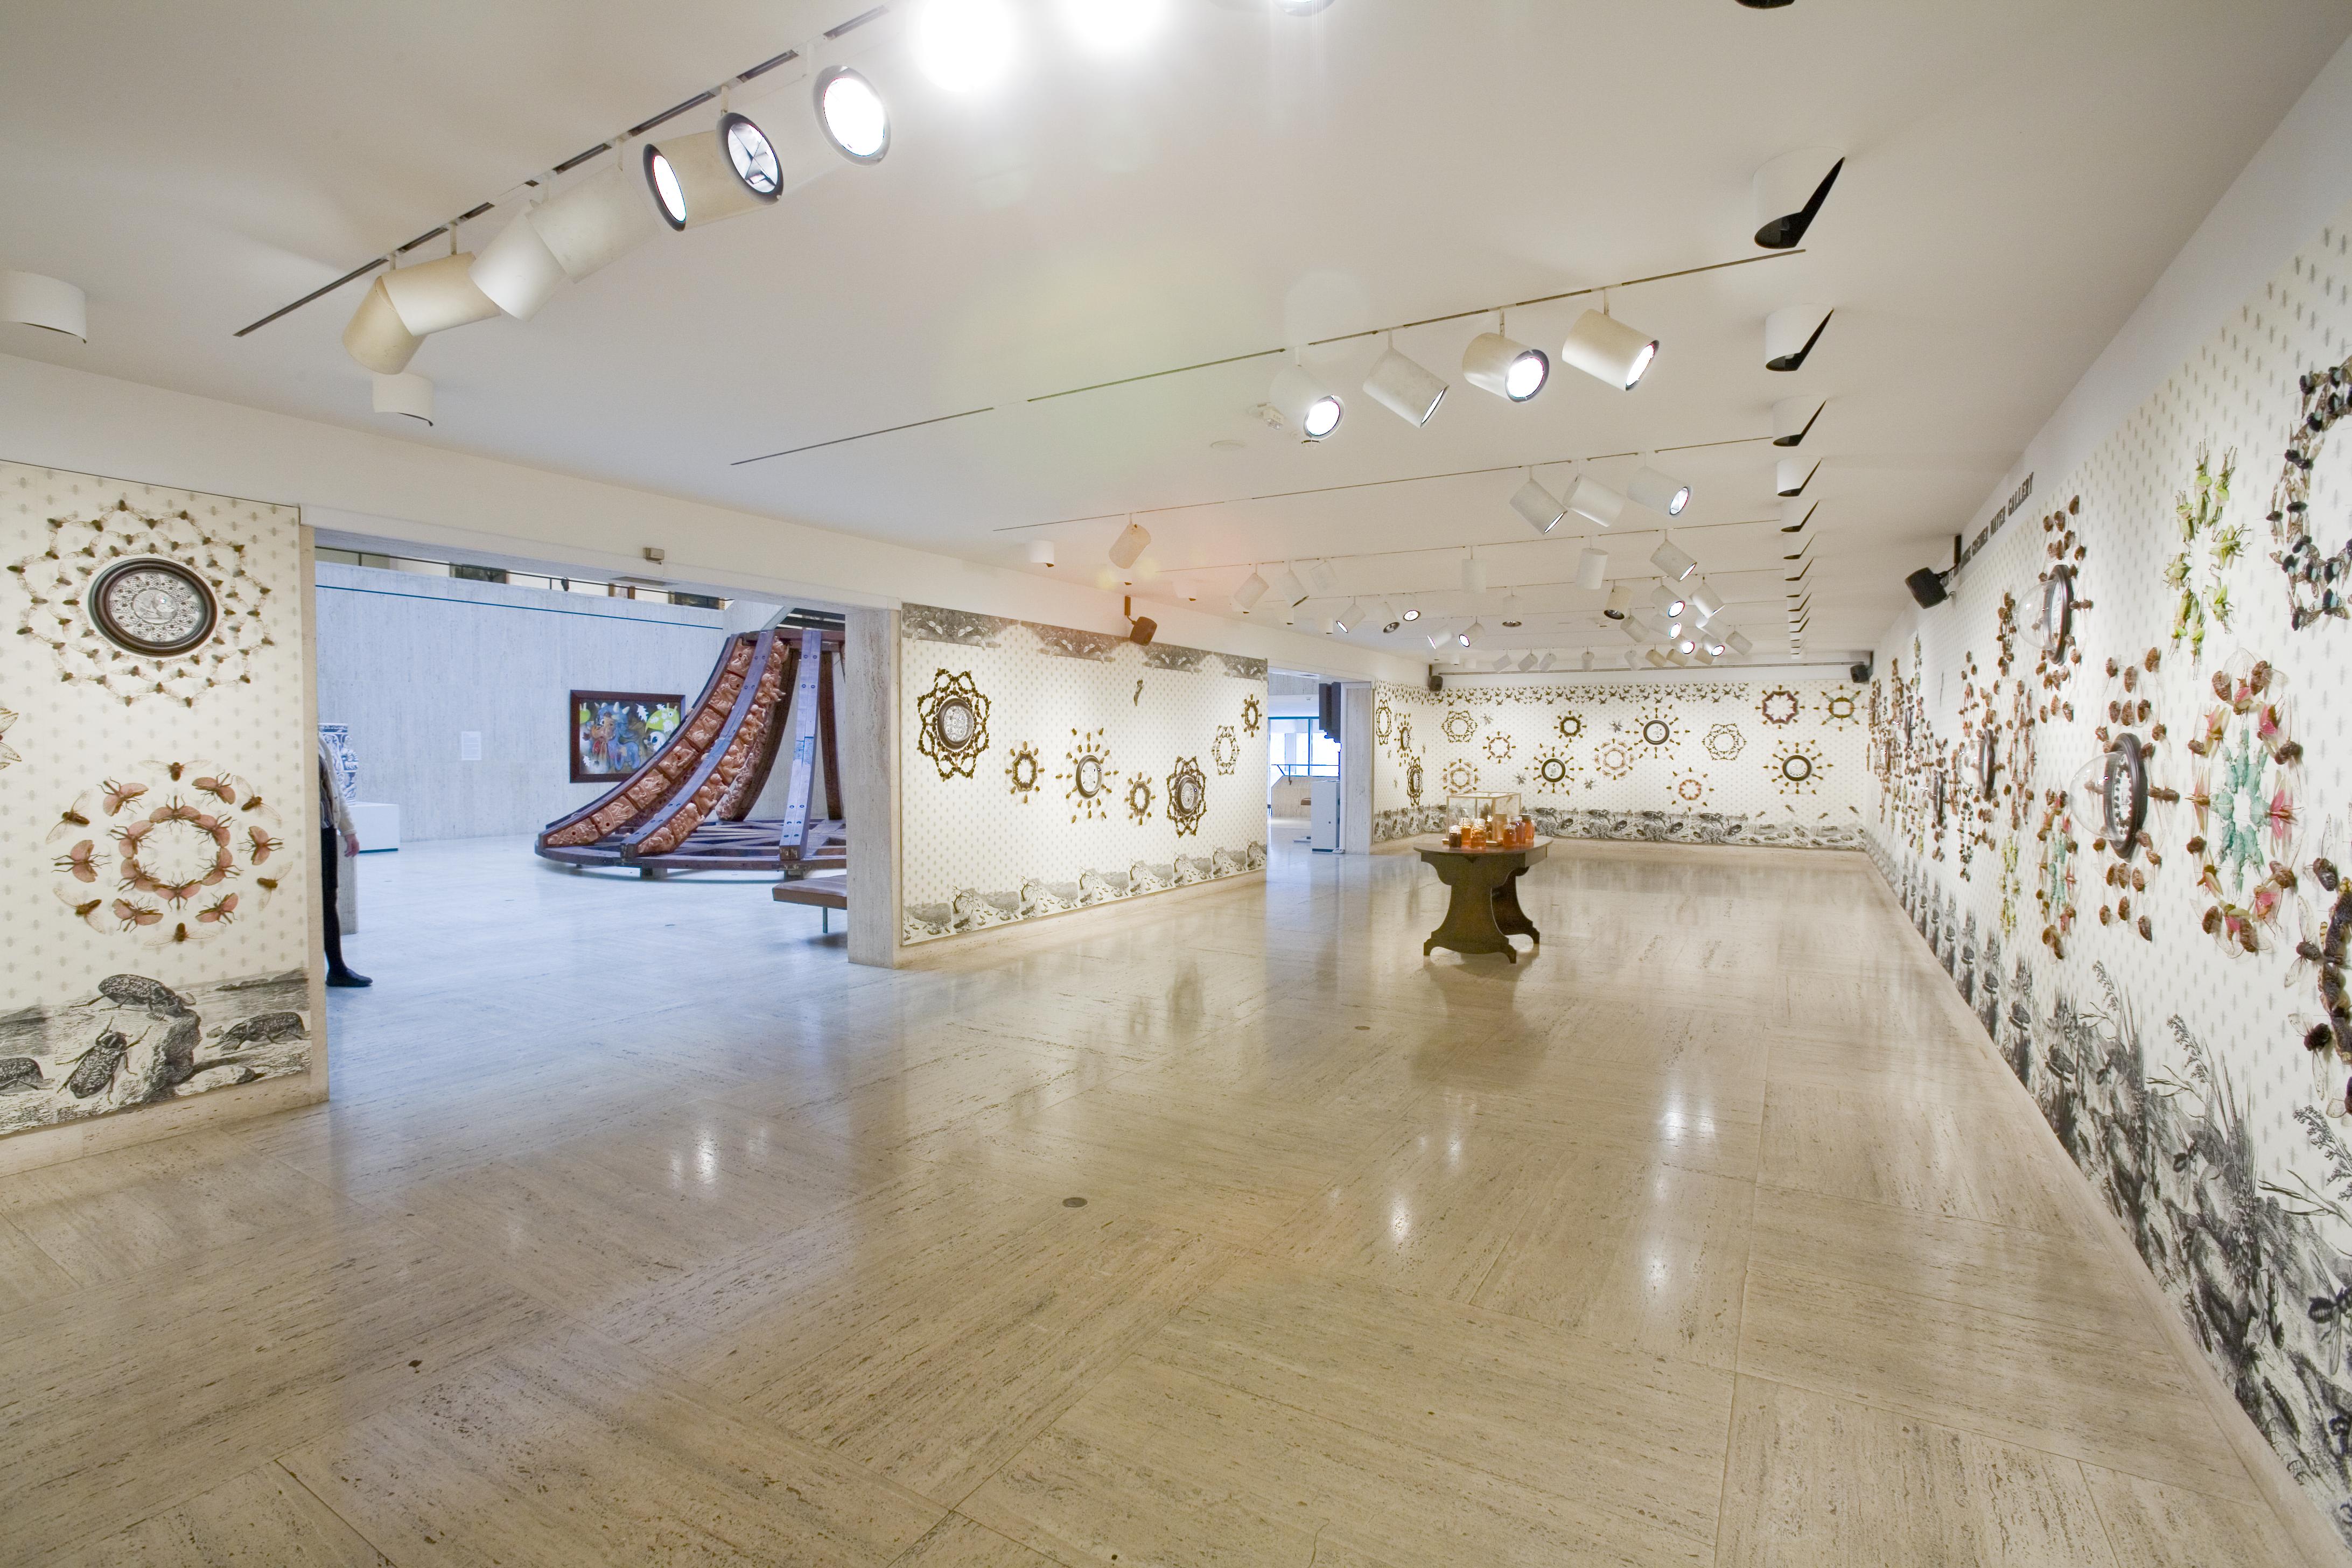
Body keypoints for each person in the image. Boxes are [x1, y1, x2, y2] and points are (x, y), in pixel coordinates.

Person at [317, 732, 370, 988]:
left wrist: (349, 830)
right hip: (298, 835)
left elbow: (334, 788)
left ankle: (337, 969)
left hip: (324, 830)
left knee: (328, 899)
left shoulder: (317, 739)